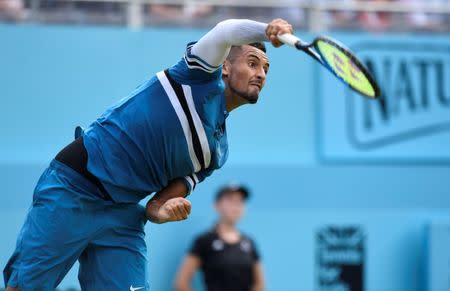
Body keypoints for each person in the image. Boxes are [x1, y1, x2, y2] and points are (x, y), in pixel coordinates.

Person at [3, 18, 293, 290]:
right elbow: (226, 30)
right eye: (253, 63)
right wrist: (266, 29)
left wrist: (163, 211)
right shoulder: (197, 77)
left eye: (266, 69)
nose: (260, 74)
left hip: (124, 214)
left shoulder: (216, 153)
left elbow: (155, 207)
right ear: (225, 67)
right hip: (75, 188)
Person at [174, 184, 264, 291]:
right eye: (230, 200)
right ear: (217, 205)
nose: (236, 205)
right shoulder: (204, 241)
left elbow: (259, 284)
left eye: (240, 201)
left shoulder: (249, 242)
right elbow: (181, 283)